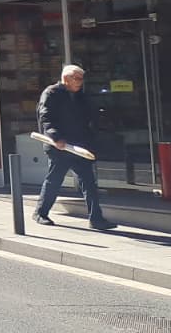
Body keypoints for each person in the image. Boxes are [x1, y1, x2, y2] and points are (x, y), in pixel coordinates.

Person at [34, 64, 116, 231]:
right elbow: (46, 117)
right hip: (60, 147)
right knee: (54, 181)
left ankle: (96, 219)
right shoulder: (51, 93)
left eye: (81, 78)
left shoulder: (80, 96)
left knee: (89, 183)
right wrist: (56, 137)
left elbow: (89, 116)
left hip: (79, 147)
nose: (80, 82)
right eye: (77, 78)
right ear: (66, 78)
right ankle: (40, 213)